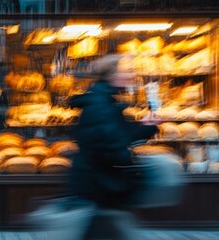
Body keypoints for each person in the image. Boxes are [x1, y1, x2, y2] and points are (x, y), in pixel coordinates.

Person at [68, 54, 160, 240]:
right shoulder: (101, 105)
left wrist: (146, 128)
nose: (132, 75)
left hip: (103, 186)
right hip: (102, 186)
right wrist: (133, 165)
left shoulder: (106, 102)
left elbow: (117, 136)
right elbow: (111, 147)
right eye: (127, 71)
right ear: (111, 76)